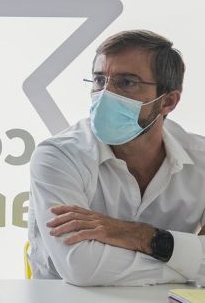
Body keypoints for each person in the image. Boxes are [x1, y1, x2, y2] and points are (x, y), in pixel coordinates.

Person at [28, 30, 205, 286]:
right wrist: (188, 263)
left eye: (127, 83)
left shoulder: (201, 159)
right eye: (99, 80)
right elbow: (82, 267)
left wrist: (142, 235)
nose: (105, 93)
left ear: (168, 101)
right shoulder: (58, 156)